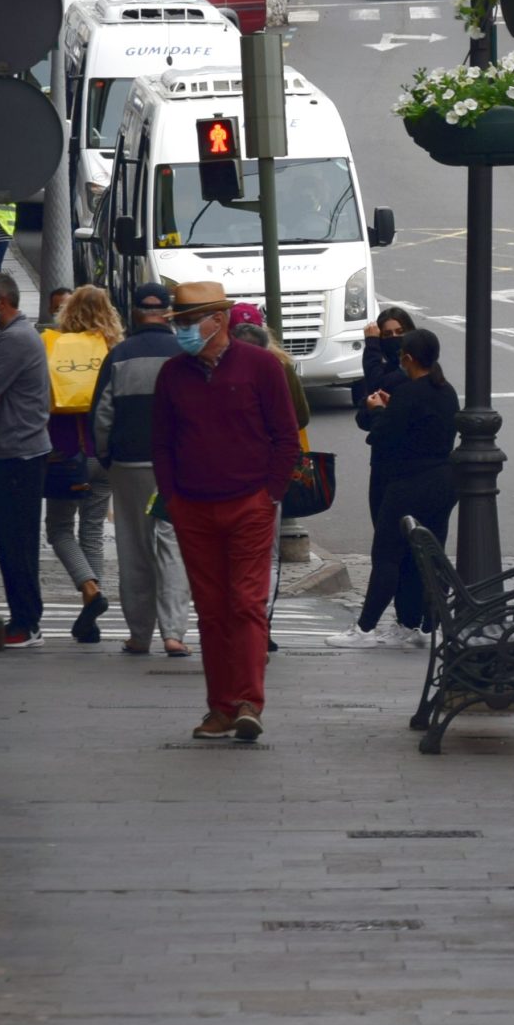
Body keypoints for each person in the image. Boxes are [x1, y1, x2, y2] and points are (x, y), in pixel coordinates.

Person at [150, 282, 301, 741]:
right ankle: (219, 708)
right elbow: (161, 442)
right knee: (212, 612)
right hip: (193, 507)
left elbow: (286, 435)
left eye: (188, 321)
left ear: (218, 319)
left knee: (247, 605)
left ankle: (248, 703)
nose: (181, 329)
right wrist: (172, 497)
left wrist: (269, 495)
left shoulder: (260, 367)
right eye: (179, 321)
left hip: (249, 505)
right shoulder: (173, 374)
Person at [335, 329, 460, 648]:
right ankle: (427, 626)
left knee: (388, 554)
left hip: (408, 482)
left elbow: (382, 436)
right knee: (431, 554)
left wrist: (378, 410)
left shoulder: (409, 392)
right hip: (443, 480)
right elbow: (419, 424)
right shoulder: (446, 391)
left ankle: (364, 629)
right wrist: (394, 409)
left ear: (408, 358)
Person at [91, 283, 196, 656]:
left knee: (133, 547)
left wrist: (106, 456)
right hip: (177, 467)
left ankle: (139, 633)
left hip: (129, 464)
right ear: (167, 312)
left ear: (134, 312)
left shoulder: (119, 355)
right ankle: (174, 633)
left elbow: (102, 416)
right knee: (172, 547)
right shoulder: (184, 353)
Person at [0, 270, 54, 648]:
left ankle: (26, 622)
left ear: (1, 303)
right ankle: (25, 618)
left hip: (16, 454)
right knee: (12, 540)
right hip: (13, 450)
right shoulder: (13, 337)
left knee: (16, 542)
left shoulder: (14, 341)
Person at [41, 285, 124, 643]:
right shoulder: (114, 349)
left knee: (58, 528)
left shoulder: (54, 347)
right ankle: (90, 617)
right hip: (102, 453)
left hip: (63, 452)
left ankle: (89, 588)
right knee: (92, 529)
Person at [231, 313, 311, 650]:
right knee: (265, 556)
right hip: (262, 484)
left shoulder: (217, 373)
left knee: (236, 557)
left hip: (243, 484)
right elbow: (297, 422)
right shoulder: (278, 369)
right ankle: (259, 625)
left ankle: (246, 625)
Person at [352, 306, 413, 421]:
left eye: (400, 332)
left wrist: (371, 345)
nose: (395, 338)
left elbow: (376, 382)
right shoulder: (389, 368)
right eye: (388, 334)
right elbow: (363, 417)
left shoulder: (412, 369)